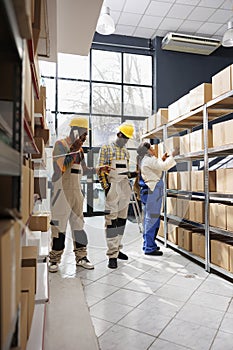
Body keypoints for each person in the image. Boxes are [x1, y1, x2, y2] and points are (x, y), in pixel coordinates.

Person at [49, 117, 110, 272]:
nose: (85, 139)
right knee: (59, 227)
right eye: (83, 135)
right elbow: (60, 168)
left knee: (79, 227)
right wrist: (74, 149)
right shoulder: (60, 145)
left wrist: (98, 169)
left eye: (86, 136)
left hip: (76, 193)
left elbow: (84, 170)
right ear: (75, 131)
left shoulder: (80, 151)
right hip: (61, 194)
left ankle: (81, 257)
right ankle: (55, 259)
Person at [98, 122, 137, 269]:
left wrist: (133, 175)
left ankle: (118, 248)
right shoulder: (106, 149)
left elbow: (125, 171)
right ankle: (112, 255)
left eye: (127, 138)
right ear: (119, 134)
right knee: (111, 221)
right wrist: (106, 188)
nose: (125, 140)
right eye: (124, 137)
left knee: (121, 220)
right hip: (112, 187)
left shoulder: (126, 152)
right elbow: (101, 171)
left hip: (124, 186)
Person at [136, 142, 177, 256]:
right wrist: (173, 155)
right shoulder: (148, 159)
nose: (154, 149)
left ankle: (149, 244)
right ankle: (149, 247)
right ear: (148, 150)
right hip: (152, 191)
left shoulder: (146, 159)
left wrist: (162, 159)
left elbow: (157, 165)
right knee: (152, 219)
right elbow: (163, 167)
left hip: (149, 191)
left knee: (149, 219)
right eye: (152, 148)